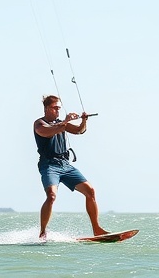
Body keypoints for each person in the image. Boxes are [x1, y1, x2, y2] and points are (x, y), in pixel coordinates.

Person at [33, 95, 107, 240]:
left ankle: (97, 229)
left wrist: (84, 120)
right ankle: (42, 232)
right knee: (51, 196)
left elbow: (80, 130)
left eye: (59, 108)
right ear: (47, 108)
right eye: (55, 108)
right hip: (49, 165)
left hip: (65, 165)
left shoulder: (61, 124)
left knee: (90, 191)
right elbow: (47, 132)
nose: (57, 111)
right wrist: (65, 122)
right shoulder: (39, 123)